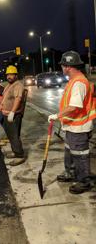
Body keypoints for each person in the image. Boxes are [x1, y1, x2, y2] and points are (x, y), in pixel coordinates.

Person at [48, 51, 96, 194]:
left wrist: (56, 116)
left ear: (67, 66)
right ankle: (71, 173)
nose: (62, 68)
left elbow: (75, 106)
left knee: (80, 155)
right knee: (70, 152)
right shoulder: (73, 81)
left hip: (79, 127)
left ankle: (84, 181)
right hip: (72, 126)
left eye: (63, 65)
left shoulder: (79, 83)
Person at [0, 65, 26, 165]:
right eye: (8, 75)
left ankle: (20, 155)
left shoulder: (18, 85)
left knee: (14, 135)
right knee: (10, 135)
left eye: (11, 74)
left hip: (14, 116)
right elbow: (4, 98)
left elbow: (18, 99)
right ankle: (16, 152)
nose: (9, 76)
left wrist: (12, 112)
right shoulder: (8, 85)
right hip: (6, 114)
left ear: (16, 75)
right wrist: (0, 108)